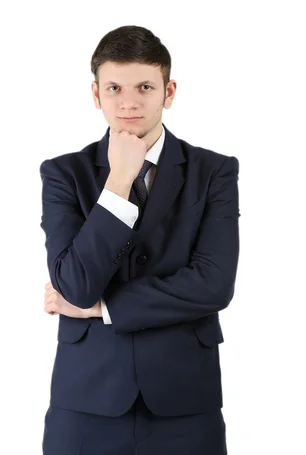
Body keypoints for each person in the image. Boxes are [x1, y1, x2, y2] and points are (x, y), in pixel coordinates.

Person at [40, 25, 239, 454]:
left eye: (145, 86)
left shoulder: (215, 172)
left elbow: (214, 284)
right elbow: (74, 285)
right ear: (96, 94)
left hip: (184, 400)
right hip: (86, 402)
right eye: (114, 87)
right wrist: (119, 180)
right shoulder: (62, 174)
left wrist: (103, 307)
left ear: (168, 92)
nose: (128, 102)